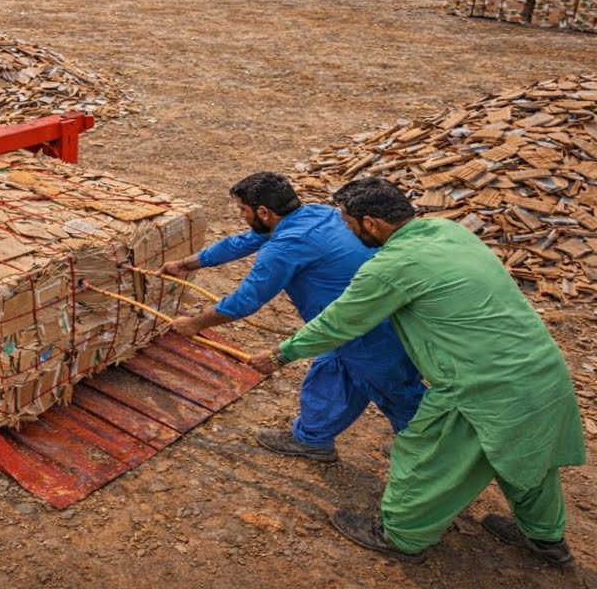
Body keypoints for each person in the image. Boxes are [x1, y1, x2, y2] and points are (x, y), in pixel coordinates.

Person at [251, 177, 585, 566]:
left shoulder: (391, 266)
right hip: (542, 371)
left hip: (480, 387)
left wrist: (280, 355)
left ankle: (400, 537)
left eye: (347, 222)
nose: (344, 228)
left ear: (371, 223)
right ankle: (546, 539)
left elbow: (339, 323)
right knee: (529, 458)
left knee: (425, 457)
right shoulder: (448, 231)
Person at [161, 172, 425, 462]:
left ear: (263, 212)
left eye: (243, 210)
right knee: (331, 374)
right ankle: (312, 439)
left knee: (396, 389)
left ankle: (427, 449)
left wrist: (194, 324)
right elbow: (241, 243)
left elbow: (244, 302)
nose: (241, 216)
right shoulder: (318, 213)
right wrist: (184, 264)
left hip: (370, 327)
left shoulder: (284, 248)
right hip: (340, 327)